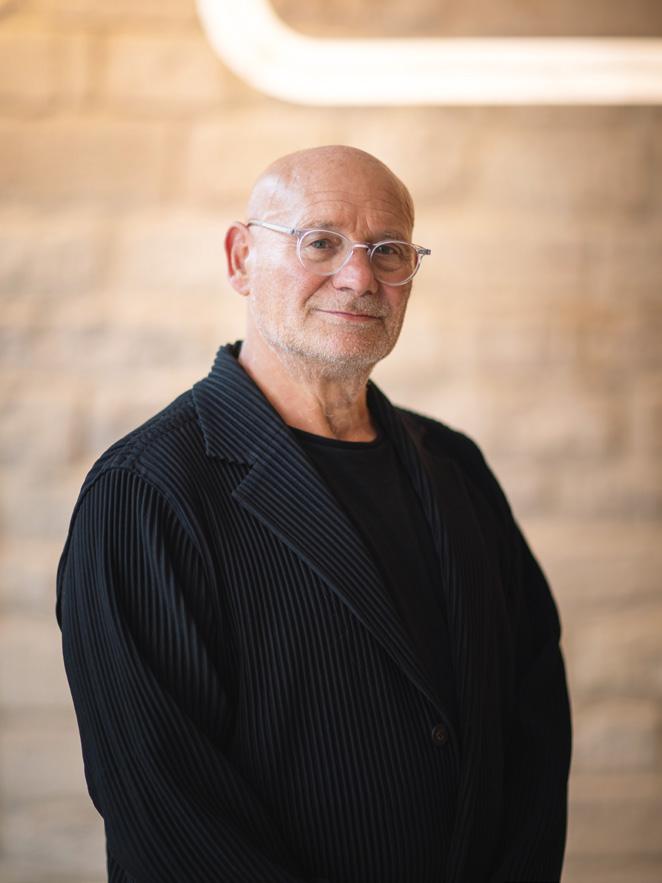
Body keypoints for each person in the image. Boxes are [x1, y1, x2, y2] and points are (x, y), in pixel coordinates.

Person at [56, 145, 572, 883]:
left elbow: (533, 719)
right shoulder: (145, 492)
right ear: (241, 259)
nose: (360, 277)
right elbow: (166, 806)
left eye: (388, 250)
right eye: (321, 242)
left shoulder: (455, 466)